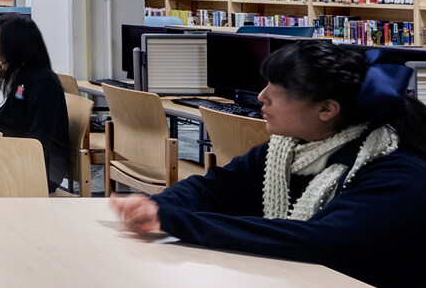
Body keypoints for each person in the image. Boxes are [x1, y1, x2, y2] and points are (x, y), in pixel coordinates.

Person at [112, 41, 426, 287]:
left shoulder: (397, 173)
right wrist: (156, 207)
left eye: (280, 91)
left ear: (326, 109)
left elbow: (320, 241)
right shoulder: (288, 149)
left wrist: (177, 221)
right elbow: (215, 187)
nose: (262, 96)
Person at [0, 13, 69, 193]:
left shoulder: (42, 81)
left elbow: (38, 140)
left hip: (38, 168)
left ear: (12, 41)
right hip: (3, 156)